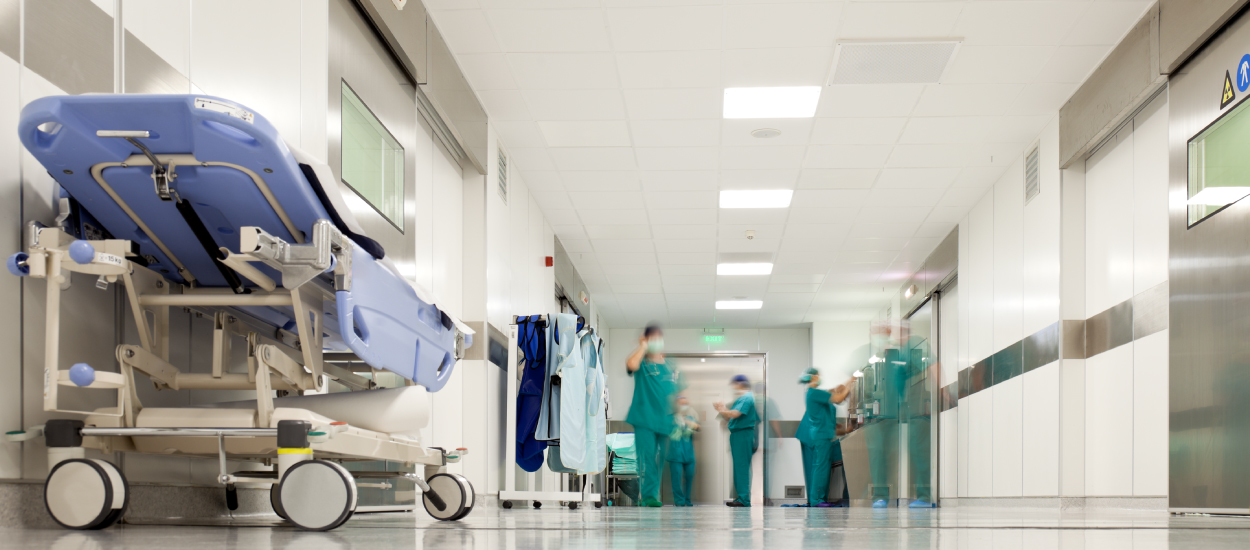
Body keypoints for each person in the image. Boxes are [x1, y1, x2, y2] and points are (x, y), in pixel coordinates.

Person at [625, 324, 679, 508]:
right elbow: (630, 364)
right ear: (646, 340)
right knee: (647, 457)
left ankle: (651, 494)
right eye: (652, 338)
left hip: (664, 422)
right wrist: (643, 347)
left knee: (659, 460)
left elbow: (674, 393)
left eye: (659, 337)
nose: (657, 341)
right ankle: (647, 496)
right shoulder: (642, 362)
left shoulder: (669, 366)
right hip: (644, 419)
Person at [796, 368, 851, 507]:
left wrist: (844, 385)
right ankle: (817, 500)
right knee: (820, 467)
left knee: (820, 467)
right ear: (813, 377)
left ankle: (818, 499)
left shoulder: (814, 393)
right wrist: (851, 382)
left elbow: (835, 393)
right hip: (819, 435)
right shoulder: (814, 393)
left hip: (821, 434)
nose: (820, 377)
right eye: (818, 375)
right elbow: (838, 397)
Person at [714, 374, 758, 507]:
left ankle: (744, 499)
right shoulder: (741, 399)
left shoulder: (747, 397)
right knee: (739, 467)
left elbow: (735, 414)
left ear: (740, 384)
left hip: (743, 434)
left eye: (734, 385)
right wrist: (723, 411)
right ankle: (741, 497)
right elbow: (731, 417)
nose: (733, 388)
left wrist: (722, 409)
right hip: (738, 434)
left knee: (742, 467)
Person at [666, 395, 699, 506]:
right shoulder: (670, 418)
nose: (684, 406)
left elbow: (698, 427)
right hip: (675, 454)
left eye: (686, 404)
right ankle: (679, 501)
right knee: (676, 479)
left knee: (689, 477)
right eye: (681, 403)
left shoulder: (691, 418)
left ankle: (687, 500)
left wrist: (690, 423)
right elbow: (666, 430)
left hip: (689, 454)